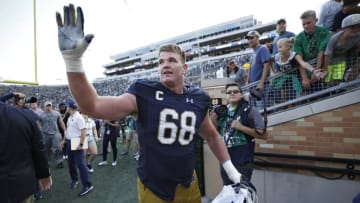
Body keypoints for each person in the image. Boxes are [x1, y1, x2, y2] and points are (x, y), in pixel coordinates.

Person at [55, 4, 242, 202]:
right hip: (154, 189)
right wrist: (72, 61)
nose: (165, 65)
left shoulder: (198, 98)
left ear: (184, 67)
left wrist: (232, 172)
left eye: (171, 60)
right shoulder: (143, 92)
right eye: (161, 62)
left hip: (189, 183)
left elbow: (213, 137)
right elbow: (92, 106)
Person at [210, 83, 268, 183]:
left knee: (242, 193)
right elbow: (215, 134)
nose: (232, 94)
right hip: (226, 161)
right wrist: (213, 120)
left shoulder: (250, 111)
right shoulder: (221, 112)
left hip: (243, 161)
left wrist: (241, 127)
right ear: (226, 96)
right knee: (228, 191)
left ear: (241, 94)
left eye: (235, 91)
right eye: (229, 92)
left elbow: (265, 135)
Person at [0, 100, 52, 203]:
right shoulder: (25, 114)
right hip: (21, 183)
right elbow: (38, 148)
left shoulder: (30, 113)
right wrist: (44, 174)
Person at [273, 38, 323, 103]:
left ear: (288, 47)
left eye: (280, 47)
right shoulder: (277, 57)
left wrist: (313, 70)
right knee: (283, 95)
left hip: (296, 76)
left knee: (302, 92)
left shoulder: (294, 55)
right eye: (278, 47)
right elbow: (270, 61)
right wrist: (274, 71)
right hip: (284, 77)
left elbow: (302, 63)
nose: (278, 49)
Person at [293, 10, 331, 94]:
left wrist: (316, 71)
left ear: (316, 20)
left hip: (321, 67)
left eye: (308, 23)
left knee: (325, 94)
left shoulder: (323, 31)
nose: (306, 26)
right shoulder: (298, 38)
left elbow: (321, 52)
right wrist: (304, 78)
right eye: (303, 24)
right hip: (305, 71)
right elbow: (299, 60)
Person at [64, 99, 94, 196]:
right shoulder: (70, 117)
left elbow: (83, 131)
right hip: (70, 141)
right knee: (71, 163)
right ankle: (75, 179)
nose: (66, 108)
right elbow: (69, 130)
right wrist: (65, 139)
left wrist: (81, 144)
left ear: (69, 107)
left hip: (77, 141)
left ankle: (87, 185)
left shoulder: (78, 117)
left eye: (67, 106)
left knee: (81, 164)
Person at [323, 14, 360, 88]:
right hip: (332, 60)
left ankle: (349, 86)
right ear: (344, 29)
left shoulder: (358, 36)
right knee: (332, 82)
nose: (356, 29)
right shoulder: (334, 39)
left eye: (358, 26)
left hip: (345, 58)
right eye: (352, 27)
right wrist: (326, 69)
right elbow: (328, 55)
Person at [246, 30, 271, 108]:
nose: (249, 40)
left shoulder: (262, 49)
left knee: (262, 110)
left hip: (260, 86)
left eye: (251, 38)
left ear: (257, 38)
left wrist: (261, 83)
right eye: (248, 39)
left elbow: (266, 66)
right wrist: (248, 82)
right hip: (253, 86)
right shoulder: (253, 53)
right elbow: (250, 68)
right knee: (255, 111)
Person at [39, 101, 66, 169]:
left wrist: (65, 129)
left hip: (55, 133)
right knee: (46, 149)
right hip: (45, 134)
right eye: (47, 106)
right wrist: (41, 130)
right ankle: (47, 162)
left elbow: (61, 122)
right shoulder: (41, 115)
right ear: (44, 107)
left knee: (58, 148)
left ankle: (59, 162)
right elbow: (39, 124)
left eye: (50, 106)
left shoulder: (56, 113)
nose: (49, 107)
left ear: (51, 106)